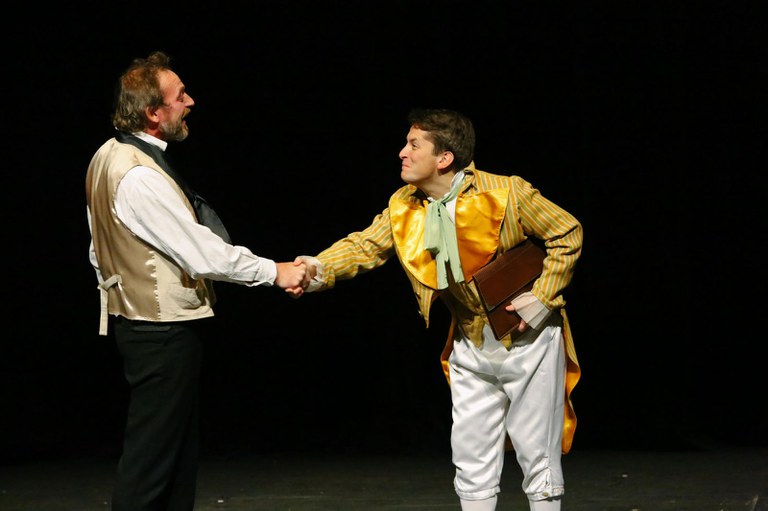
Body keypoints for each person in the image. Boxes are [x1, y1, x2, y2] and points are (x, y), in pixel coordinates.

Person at [295, 108, 582, 511]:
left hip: (528, 339)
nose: (402, 152)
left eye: (414, 145)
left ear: (444, 158)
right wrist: (315, 267)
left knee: (537, 451)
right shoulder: (405, 204)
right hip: (470, 340)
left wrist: (542, 298)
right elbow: (365, 246)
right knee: (470, 451)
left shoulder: (506, 191)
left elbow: (566, 231)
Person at [85, 51, 307, 511]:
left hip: (143, 324)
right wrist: (274, 271)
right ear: (153, 112)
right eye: (180, 96)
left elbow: (97, 248)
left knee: (175, 457)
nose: (190, 102)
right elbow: (202, 253)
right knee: (151, 463)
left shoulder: (107, 155)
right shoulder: (139, 175)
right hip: (160, 331)